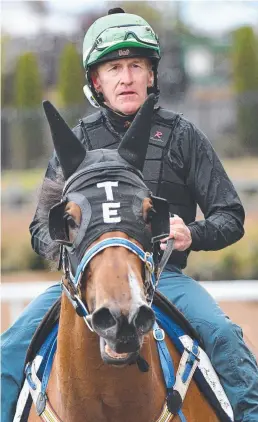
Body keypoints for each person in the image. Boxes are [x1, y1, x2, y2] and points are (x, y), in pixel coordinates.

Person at [2, 8, 258, 422]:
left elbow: (231, 215)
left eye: (136, 65)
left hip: (165, 280)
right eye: (114, 67)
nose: (127, 77)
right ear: (96, 81)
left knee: (226, 337)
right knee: (8, 350)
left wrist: (193, 233)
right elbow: (39, 229)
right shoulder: (75, 144)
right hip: (85, 285)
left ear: (151, 75)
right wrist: (69, 244)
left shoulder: (184, 136)